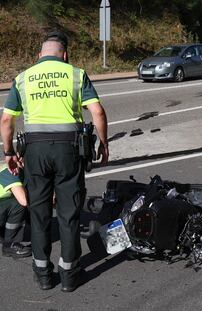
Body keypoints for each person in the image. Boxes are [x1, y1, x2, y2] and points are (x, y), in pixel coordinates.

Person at [0, 31, 109, 292]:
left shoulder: (23, 78)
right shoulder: (76, 74)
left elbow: (6, 120)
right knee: (69, 214)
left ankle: (44, 275)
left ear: (39, 56)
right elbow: (97, 112)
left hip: (35, 153)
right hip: (69, 151)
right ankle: (70, 275)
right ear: (65, 55)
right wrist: (104, 144)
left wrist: (9, 153)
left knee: (38, 215)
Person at [0, 163, 31, 258]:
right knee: (17, 204)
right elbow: (24, 201)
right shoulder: (10, 170)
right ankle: (10, 244)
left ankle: (3, 233)